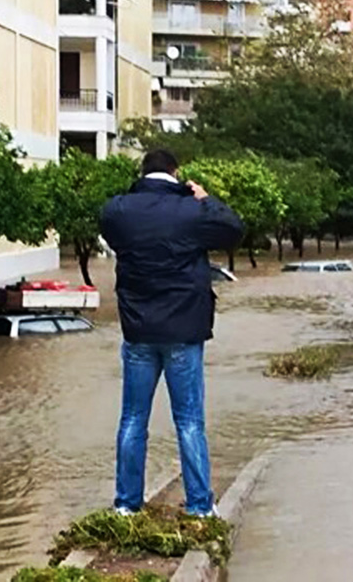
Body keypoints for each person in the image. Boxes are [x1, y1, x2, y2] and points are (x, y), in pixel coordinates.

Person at [100, 149, 244, 517]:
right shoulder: (192, 212)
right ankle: (199, 506)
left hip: (138, 330)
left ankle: (126, 504)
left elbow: (112, 231)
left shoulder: (119, 210)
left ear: (143, 172)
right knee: (190, 421)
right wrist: (203, 197)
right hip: (184, 330)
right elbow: (233, 229)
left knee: (132, 419)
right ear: (175, 172)